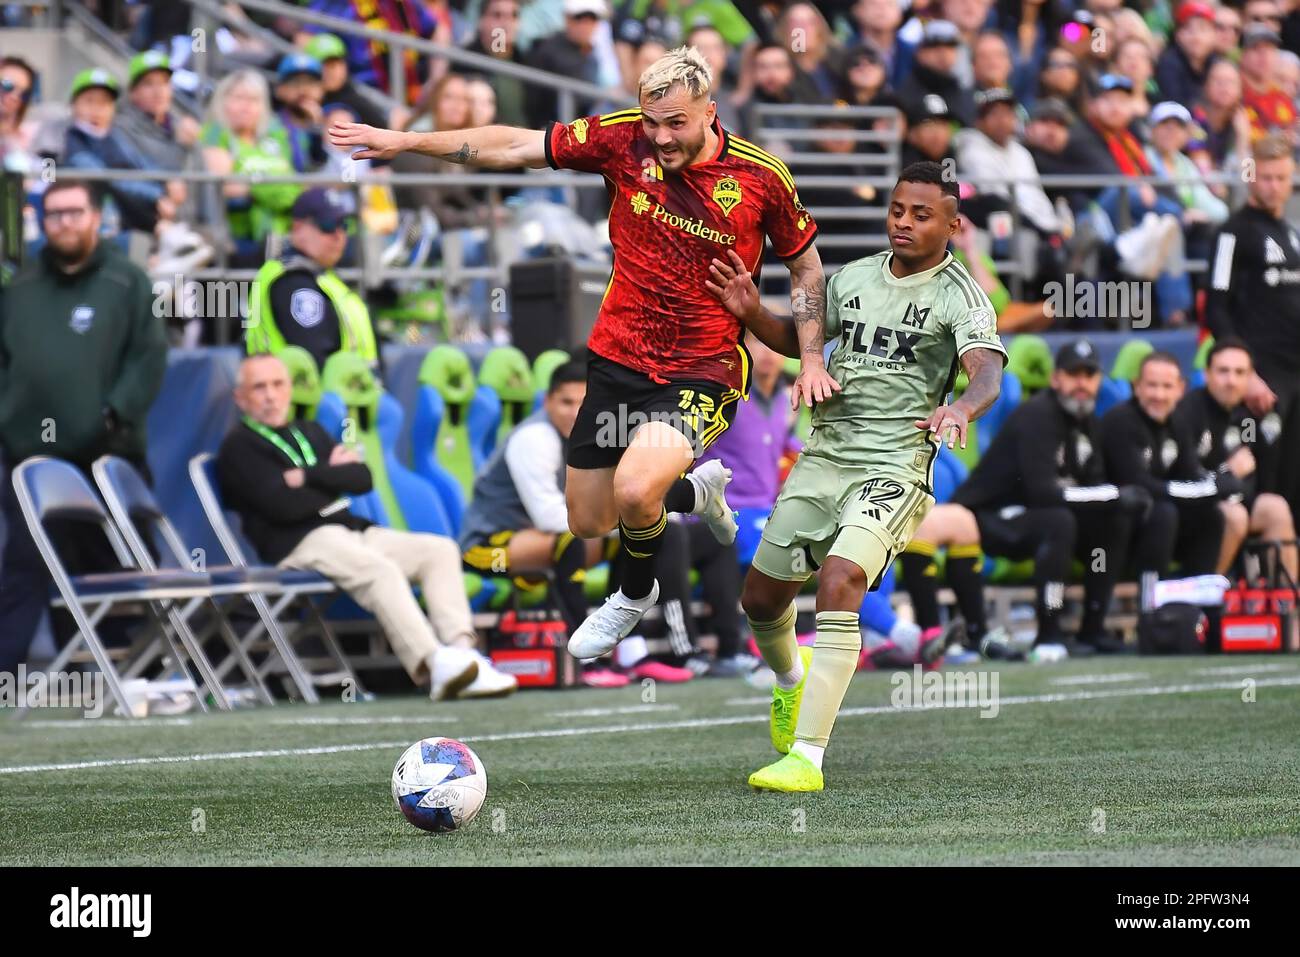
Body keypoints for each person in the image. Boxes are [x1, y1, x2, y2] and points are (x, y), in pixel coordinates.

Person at [332, 45, 829, 663]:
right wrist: (408, 141)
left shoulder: (761, 177)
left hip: (702, 367)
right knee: (589, 522)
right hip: (617, 358)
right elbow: (513, 146)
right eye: (652, 122)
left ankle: (631, 591)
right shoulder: (620, 141)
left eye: (676, 123)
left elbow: (806, 268)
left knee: (635, 488)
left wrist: (810, 358)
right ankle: (696, 495)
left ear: (710, 111)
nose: (661, 137)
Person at [706, 161, 1007, 793]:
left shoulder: (962, 296)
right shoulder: (855, 278)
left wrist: (960, 407)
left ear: (953, 225)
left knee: (842, 580)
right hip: (824, 455)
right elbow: (798, 338)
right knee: (760, 600)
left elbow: (986, 371)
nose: (903, 222)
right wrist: (751, 310)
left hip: (895, 463)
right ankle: (792, 681)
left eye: (921, 215)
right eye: (898, 209)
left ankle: (807, 757)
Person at [217, 354, 516, 700]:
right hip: (300, 542)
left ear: (289, 390)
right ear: (240, 398)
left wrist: (307, 477)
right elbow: (281, 507)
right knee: (381, 571)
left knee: (439, 550)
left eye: (277, 384)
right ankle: (434, 664)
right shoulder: (238, 447)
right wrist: (330, 480)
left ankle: (463, 655)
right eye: (259, 387)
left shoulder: (309, 430)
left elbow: (361, 478)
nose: (270, 395)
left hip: (351, 530)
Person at [0, 181, 166, 672]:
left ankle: (142, 670)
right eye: (53, 215)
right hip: (31, 456)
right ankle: (12, 672)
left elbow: (149, 357)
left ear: (96, 217)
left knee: (121, 560)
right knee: (29, 564)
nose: (64, 223)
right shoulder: (20, 288)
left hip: (107, 455)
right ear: (41, 222)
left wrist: (115, 413)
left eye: (74, 212)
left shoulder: (128, 281)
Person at [951, 338, 1153, 657]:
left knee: (1113, 520)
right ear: (1056, 378)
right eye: (1074, 375)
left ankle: (1093, 629)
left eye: (1089, 376)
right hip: (989, 517)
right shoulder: (1037, 416)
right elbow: (1043, 493)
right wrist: (1115, 494)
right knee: (1059, 521)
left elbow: (1092, 487)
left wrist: (1116, 500)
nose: (1082, 384)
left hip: (1036, 517)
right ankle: (1048, 634)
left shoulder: (1089, 424)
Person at [1206, 134, 1300, 525]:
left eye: (1281, 178)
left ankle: (1287, 577)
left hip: (1295, 372)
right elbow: (1215, 307)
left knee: (1294, 477)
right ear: (1251, 178)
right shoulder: (1233, 232)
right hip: (1263, 376)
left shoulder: (1292, 233)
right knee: (1264, 478)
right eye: (1266, 178)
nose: (1273, 186)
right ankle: (1249, 577)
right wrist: (1247, 375)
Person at [1099, 351, 1231, 596]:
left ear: (1180, 389)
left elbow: (1191, 474)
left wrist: (1219, 483)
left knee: (1212, 516)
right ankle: (1151, 606)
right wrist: (1214, 487)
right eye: (1151, 385)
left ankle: (1197, 603)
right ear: (1136, 387)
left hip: (1160, 527)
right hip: (1116, 529)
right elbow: (1138, 484)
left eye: (1167, 386)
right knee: (1164, 512)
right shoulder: (1120, 422)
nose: (1159, 395)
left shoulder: (1177, 422)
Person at [1175, 337, 1297, 582]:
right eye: (1223, 371)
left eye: (1240, 372)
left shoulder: (1248, 416)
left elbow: (1260, 471)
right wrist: (1227, 472)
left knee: (1275, 507)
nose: (1231, 381)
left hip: (1237, 501)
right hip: (1195, 508)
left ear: (1250, 377)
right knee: (1235, 515)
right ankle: (1206, 596)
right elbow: (1185, 477)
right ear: (1207, 374)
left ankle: (1284, 606)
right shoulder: (1188, 411)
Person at [244, 188, 377, 374]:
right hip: (308, 399)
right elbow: (315, 361)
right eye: (328, 225)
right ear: (298, 227)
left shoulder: (326, 277)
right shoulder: (293, 282)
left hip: (353, 396)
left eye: (344, 225)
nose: (339, 235)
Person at [1155, 2, 1220, 107]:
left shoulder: (1217, 65)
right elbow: (1175, 105)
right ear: (1177, 35)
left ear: (1214, 34)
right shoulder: (1168, 64)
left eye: (1202, 29)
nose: (1196, 37)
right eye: (1189, 29)